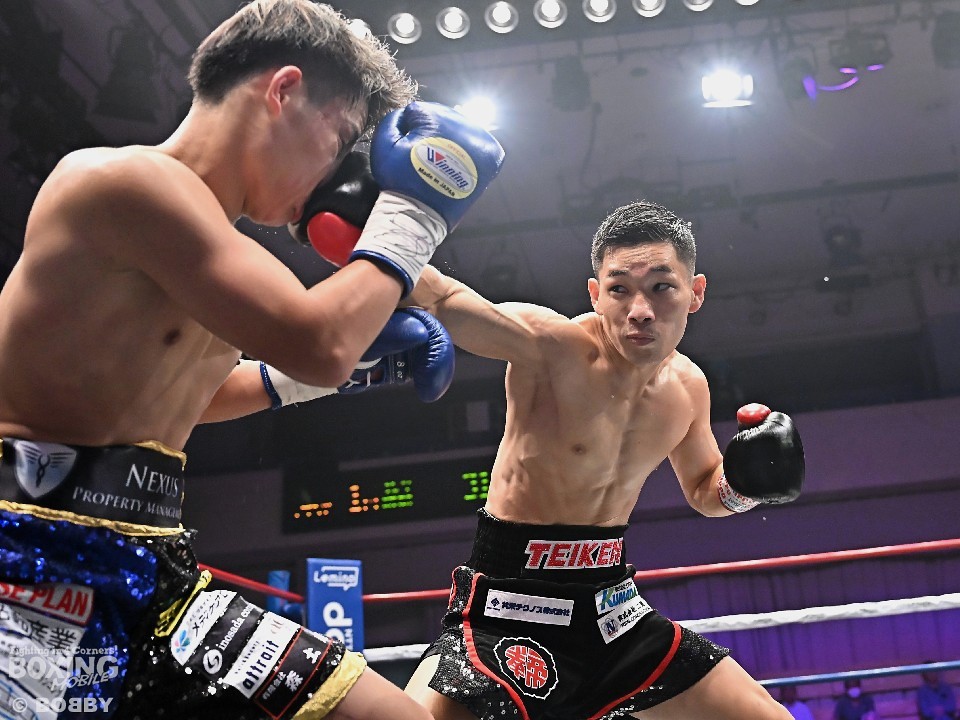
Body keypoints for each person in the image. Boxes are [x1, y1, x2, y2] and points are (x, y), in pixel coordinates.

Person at [0, 1, 504, 718]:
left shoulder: (218, 250)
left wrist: (332, 374)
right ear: (284, 90)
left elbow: (190, 395)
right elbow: (320, 344)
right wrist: (416, 212)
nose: (336, 174)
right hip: (30, 556)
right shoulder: (123, 181)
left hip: (158, 569)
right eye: (341, 139)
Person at [401, 199, 805, 720]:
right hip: (508, 606)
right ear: (595, 294)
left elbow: (706, 490)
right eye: (619, 290)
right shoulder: (551, 347)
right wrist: (376, 228)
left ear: (695, 292)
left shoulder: (688, 386)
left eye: (661, 287)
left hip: (612, 613)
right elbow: (442, 297)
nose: (640, 310)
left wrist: (747, 485)